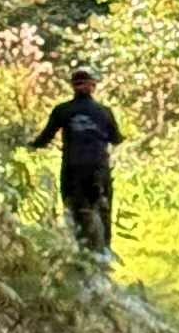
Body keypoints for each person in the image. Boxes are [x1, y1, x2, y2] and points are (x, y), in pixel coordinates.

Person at [35, 68, 123, 256]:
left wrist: (27, 146)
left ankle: (79, 250)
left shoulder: (63, 110)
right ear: (93, 86)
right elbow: (116, 139)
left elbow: (43, 139)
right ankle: (104, 251)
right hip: (98, 167)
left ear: (73, 86)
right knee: (102, 208)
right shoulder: (104, 112)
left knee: (74, 209)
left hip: (72, 168)